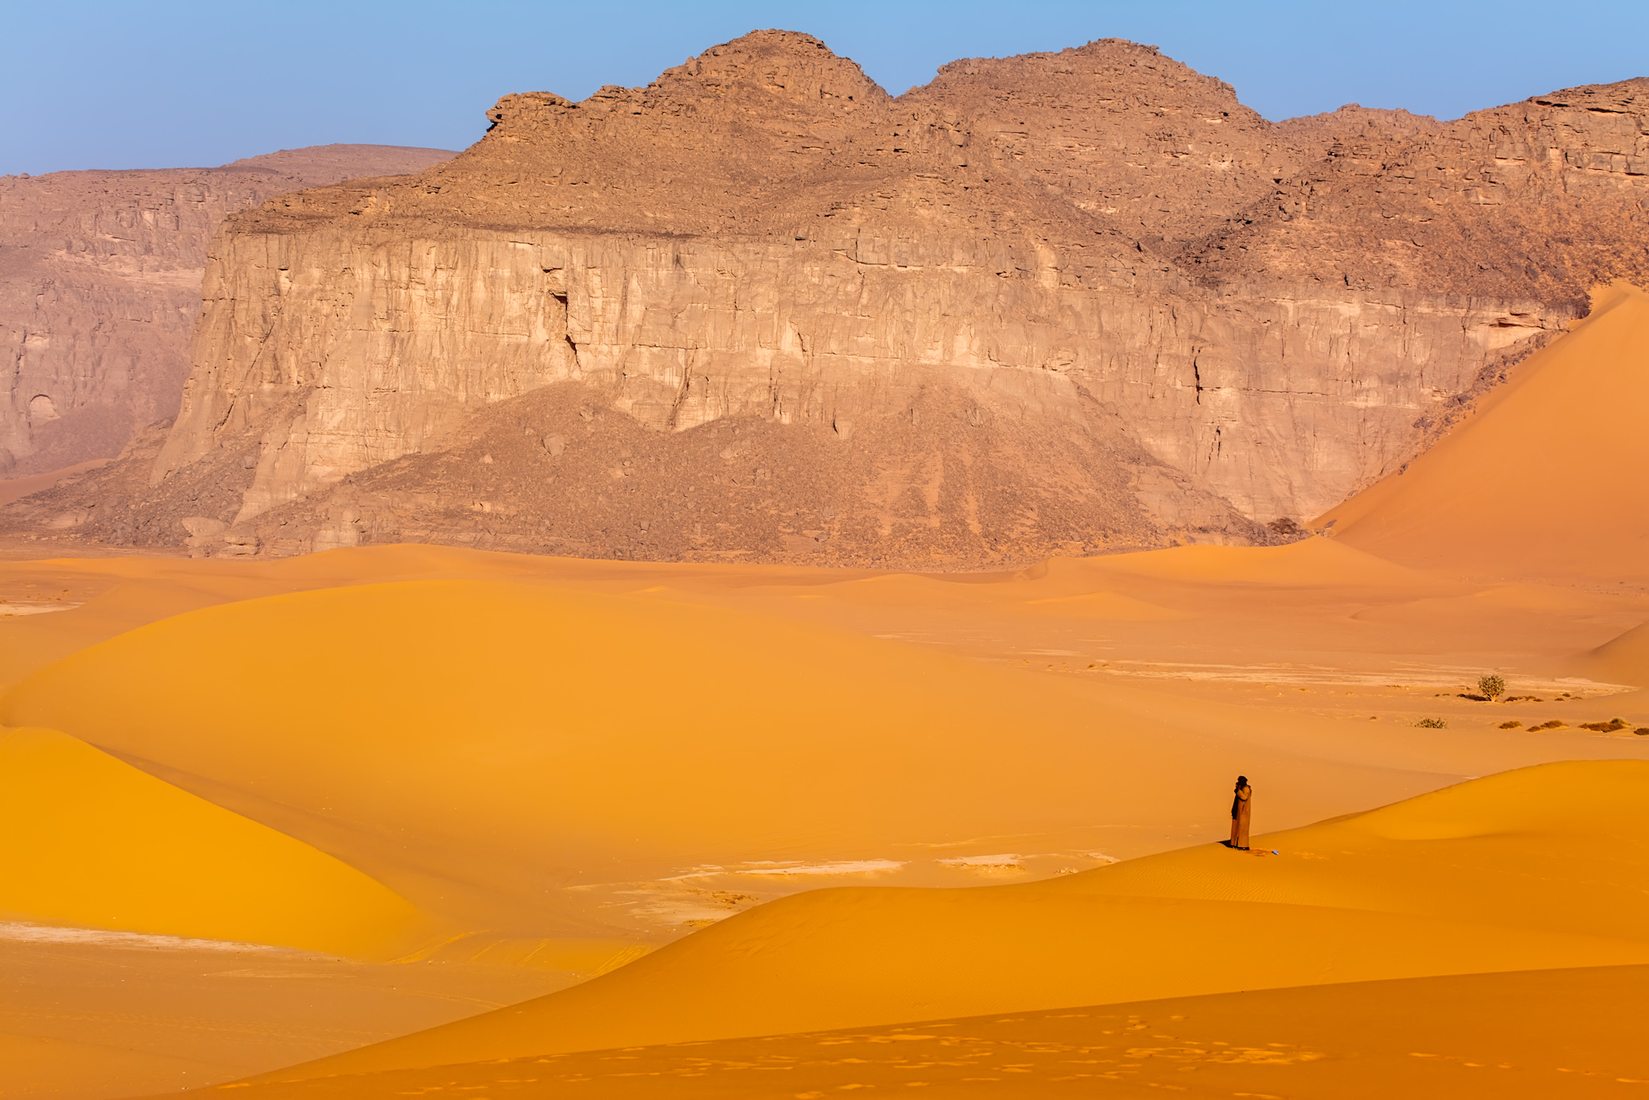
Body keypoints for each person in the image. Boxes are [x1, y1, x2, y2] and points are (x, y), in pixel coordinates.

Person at [1229, 775, 1253, 850]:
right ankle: (1235, 843)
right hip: (1239, 812)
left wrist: (1238, 791)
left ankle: (1243, 845)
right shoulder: (1242, 788)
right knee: (1237, 828)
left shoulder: (1246, 789)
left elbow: (1244, 797)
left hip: (1243, 812)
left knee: (1242, 829)